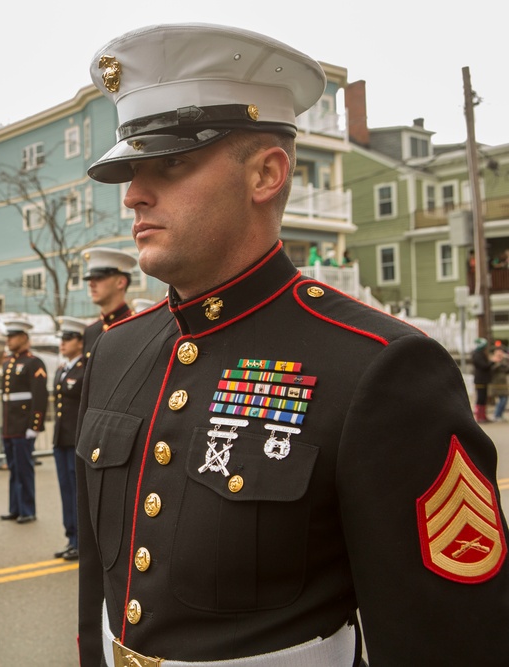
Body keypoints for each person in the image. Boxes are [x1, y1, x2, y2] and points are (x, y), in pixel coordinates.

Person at [76, 23, 509, 665]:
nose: (134, 193)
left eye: (170, 164)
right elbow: (101, 598)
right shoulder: (116, 351)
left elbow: (453, 639)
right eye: (132, 171)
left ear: (266, 174)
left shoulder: (378, 368)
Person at [0, 318, 47, 524]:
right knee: (13, 468)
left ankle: (28, 510)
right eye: (8, 336)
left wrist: (34, 426)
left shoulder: (33, 362)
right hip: (10, 425)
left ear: (24, 338)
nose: (9, 340)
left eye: (13, 336)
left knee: (24, 470)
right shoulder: (8, 363)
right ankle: (15, 508)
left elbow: (39, 396)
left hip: (23, 425)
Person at [51, 316, 86, 562]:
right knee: (65, 490)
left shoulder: (85, 367)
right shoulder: (63, 369)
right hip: (61, 438)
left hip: (76, 438)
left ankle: (80, 540)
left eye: (68, 339)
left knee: (77, 492)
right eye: (62, 339)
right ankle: (70, 536)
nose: (63, 343)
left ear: (80, 342)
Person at [81, 247, 137, 359]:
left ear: (121, 282)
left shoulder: (138, 326)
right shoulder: (90, 331)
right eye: (90, 279)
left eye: (98, 277)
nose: (91, 284)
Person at [472, 337, 494, 423]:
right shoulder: (477, 354)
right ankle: (479, 416)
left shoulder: (480, 353)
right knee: (480, 398)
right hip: (480, 380)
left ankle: (483, 416)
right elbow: (484, 366)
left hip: (483, 380)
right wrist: (492, 362)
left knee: (484, 398)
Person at [491, 344, 509, 421]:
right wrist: (498, 362)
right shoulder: (493, 360)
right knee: (502, 399)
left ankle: (500, 414)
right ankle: (496, 415)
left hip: (503, 382)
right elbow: (491, 369)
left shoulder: (504, 360)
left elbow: (507, 370)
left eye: (501, 351)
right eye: (498, 351)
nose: (500, 353)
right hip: (496, 382)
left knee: (504, 398)